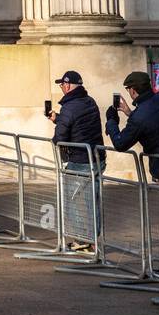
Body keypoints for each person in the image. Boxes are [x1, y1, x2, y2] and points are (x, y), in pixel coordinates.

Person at [106, 70, 159, 275]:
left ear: (132, 90)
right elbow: (156, 123)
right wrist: (130, 114)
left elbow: (121, 143)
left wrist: (111, 122)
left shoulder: (140, 117)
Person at [48, 70, 105, 252]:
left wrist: (59, 125)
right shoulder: (90, 102)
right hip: (97, 158)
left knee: (69, 200)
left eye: (62, 85)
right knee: (92, 201)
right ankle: (93, 241)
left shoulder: (69, 107)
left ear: (67, 85)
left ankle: (82, 239)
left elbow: (60, 137)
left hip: (79, 160)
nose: (62, 88)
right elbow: (81, 126)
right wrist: (59, 119)